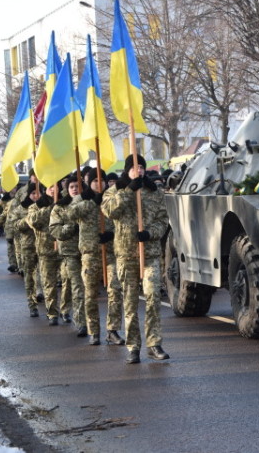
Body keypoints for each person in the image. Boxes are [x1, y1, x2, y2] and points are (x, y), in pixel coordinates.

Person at [102, 155, 169, 364]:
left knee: (152, 298)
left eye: (141, 167)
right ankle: (133, 347)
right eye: (134, 167)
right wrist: (129, 190)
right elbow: (110, 211)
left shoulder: (154, 192)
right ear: (127, 169)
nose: (138, 171)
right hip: (125, 255)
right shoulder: (114, 191)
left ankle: (154, 343)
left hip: (149, 254)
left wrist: (150, 233)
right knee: (130, 303)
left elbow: (163, 219)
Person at [70, 168, 125, 346]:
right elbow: (70, 214)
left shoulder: (111, 197)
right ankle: (94, 331)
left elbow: (124, 219)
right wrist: (91, 202)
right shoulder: (81, 199)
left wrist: (112, 234)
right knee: (90, 293)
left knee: (115, 290)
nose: (99, 184)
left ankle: (113, 329)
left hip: (110, 252)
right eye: (95, 181)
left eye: (101, 181)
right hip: (90, 253)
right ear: (89, 182)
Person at [50, 174, 84, 330]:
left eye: (78, 186)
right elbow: (55, 230)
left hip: (87, 251)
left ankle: (65, 308)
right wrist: (71, 227)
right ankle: (80, 321)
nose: (75, 189)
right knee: (76, 284)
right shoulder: (60, 207)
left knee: (70, 284)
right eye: (72, 187)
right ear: (67, 189)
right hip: (69, 252)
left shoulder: (87, 203)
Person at [26, 185, 61, 326]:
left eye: (56, 186)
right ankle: (52, 313)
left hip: (66, 250)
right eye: (50, 186)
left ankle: (65, 309)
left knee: (69, 283)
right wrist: (49, 208)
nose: (53, 189)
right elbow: (32, 221)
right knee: (49, 284)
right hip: (46, 251)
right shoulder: (36, 207)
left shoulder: (66, 201)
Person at [13, 183, 41, 317]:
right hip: (28, 246)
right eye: (33, 193)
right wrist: (29, 220)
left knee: (47, 277)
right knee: (29, 275)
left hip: (44, 247)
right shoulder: (20, 209)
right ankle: (32, 304)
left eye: (38, 193)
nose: (36, 196)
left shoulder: (45, 206)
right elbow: (15, 226)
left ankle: (51, 307)